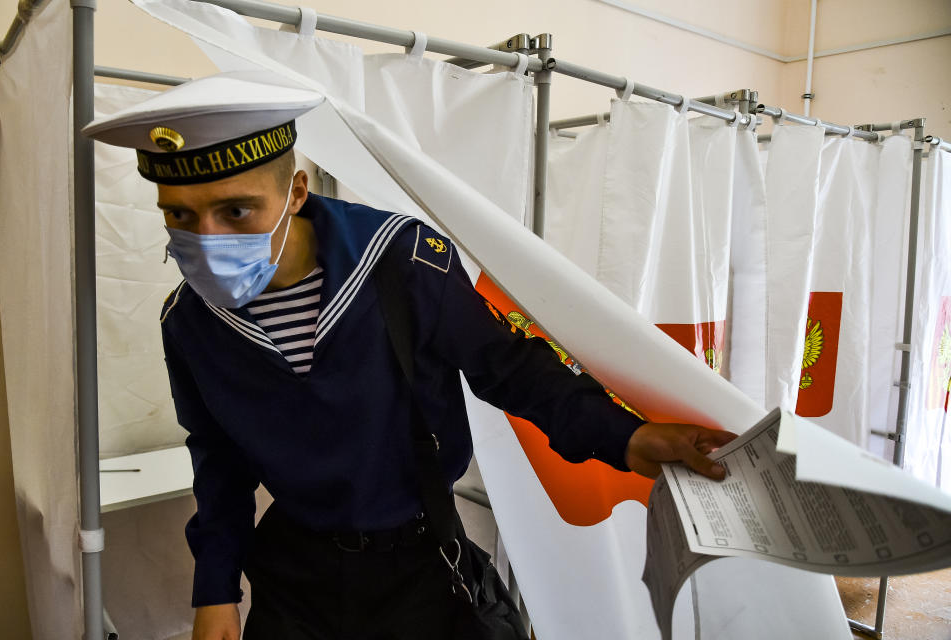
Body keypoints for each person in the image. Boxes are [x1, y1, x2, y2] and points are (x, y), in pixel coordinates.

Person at [84, 71, 736, 640]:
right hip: (294, 578)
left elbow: (511, 370)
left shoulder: (401, 264)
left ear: (297, 191)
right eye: (180, 218)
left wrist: (628, 436)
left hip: (420, 564)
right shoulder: (190, 323)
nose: (207, 240)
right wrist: (215, 590)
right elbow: (218, 463)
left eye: (236, 211)